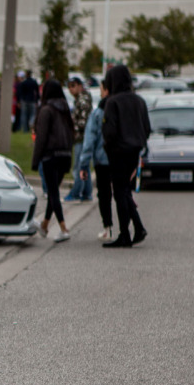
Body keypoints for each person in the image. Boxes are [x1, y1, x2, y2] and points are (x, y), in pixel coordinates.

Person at [101, 64, 150, 248]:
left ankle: (125, 234)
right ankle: (137, 227)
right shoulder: (139, 101)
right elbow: (147, 128)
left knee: (119, 192)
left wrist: (109, 146)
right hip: (135, 151)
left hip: (118, 152)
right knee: (124, 190)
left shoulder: (112, 102)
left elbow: (109, 131)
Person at [31, 79, 75, 243]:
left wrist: (35, 161)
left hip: (51, 155)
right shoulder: (65, 110)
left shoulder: (46, 110)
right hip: (65, 155)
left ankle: (64, 228)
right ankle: (44, 225)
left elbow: (41, 138)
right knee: (53, 192)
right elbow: (71, 134)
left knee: (53, 193)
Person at [77, 80, 114, 240]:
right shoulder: (122, 110)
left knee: (104, 194)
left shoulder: (98, 113)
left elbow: (89, 140)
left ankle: (108, 227)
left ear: (106, 91)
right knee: (122, 193)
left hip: (102, 160)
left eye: (101, 89)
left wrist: (83, 164)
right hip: (120, 159)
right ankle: (127, 226)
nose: (100, 93)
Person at [64, 74, 93, 202]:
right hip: (82, 138)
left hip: (81, 138)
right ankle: (87, 193)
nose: (71, 89)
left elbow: (83, 122)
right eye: (69, 87)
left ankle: (76, 192)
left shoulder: (82, 100)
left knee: (78, 167)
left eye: (73, 86)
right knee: (84, 166)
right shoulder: (81, 99)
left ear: (80, 86)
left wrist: (72, 128)